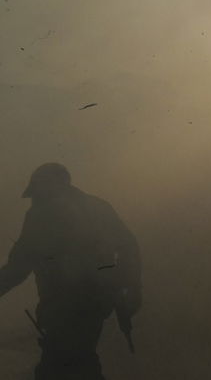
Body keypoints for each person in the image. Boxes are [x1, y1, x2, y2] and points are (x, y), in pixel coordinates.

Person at [0, 162, 142, 380]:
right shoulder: (97, 208)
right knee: (78, 362)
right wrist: (131, 289)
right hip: (93, 304)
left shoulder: (40, 216)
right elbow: (128, 247)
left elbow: (19, 265)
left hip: (64, 307)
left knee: (60, 366)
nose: (36, 199)